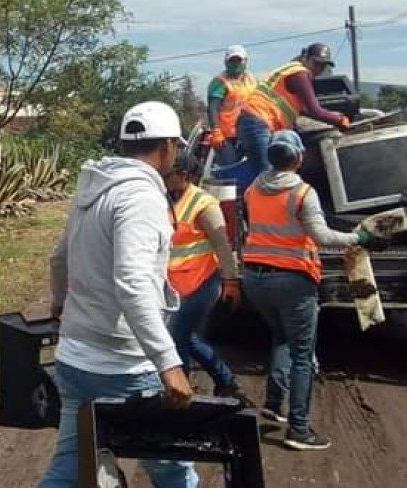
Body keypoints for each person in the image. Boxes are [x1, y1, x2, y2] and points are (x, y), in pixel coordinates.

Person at [41, 101, 198, 488]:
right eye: (175, 147)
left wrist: (61, 305)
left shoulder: (93, 188)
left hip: (75, 360)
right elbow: (133, 281)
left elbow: (59, 258)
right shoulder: (141, 197)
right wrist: (168, 362)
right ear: (166, 148)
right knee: (173, 468)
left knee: (71, 466)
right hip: (123, 366)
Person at [241, 130, 388, 451]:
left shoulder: (253, 188)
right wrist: (359, 239)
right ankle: (299, 429)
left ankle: (274, 402)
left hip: (254, 278)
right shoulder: (302, 193)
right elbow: (321, 236)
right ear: (298, 158)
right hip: (292, 281)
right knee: (303, 355)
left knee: (281, 337)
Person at [165, 152, 249, 401]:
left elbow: (223, 246)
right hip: (176, 284)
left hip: (202, 284)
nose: (163, 179)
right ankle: (226, 381)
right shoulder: (166, 199)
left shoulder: (203, 204)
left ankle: (182, 391)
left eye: (168, 175)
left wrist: (231, 281)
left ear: (183, 176)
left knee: (175, 336)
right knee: (187, 336)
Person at [236, 43, 351, 188]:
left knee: (264, 174)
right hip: (258, 121)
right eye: (316, 63)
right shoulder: (299, 73)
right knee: (269, 179)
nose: (319, 69)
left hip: (255, 121)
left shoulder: (290, 70)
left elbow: (305, 110)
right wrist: (339, 120)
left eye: (323, 66)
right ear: (305, 58)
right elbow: (315, 110)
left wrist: (332, 116)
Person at [207, 45, 257, 166]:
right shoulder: (220, 82)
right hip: (226, 136)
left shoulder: (250, 79)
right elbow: (212, 108)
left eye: (238, 60)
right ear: (226, 62)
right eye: (232, 60)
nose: (235, 64)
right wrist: (216, 131)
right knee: (230, 168)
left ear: (245, 62)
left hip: (247, 132)